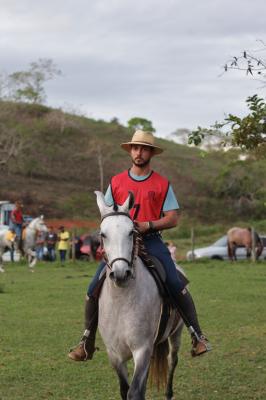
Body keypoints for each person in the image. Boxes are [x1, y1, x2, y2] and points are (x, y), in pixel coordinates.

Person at [69, 130, 211, 362]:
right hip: (121, 244)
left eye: (144, 148)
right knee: (93, 288)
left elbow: (173, 218)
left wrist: (148, 224)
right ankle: (87, 341)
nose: (139, 152)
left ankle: (197, 335)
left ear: (151, 153)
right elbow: (106, 214)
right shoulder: (116, 182)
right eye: (135, 148)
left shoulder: (162, 184)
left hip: (151, 241)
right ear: (130, 151)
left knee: (175, 281)